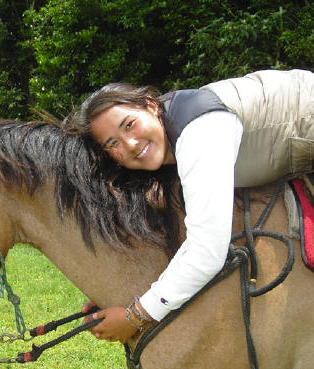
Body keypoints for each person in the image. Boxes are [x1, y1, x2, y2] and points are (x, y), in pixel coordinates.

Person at [63, 69, 314, 344]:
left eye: (129, 125)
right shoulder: (171, 136)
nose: (131, 144)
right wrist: (118, 294)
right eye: (113, 144)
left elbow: (207, 252)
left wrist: (135, 316)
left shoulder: (199, 133)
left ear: (151, 106)